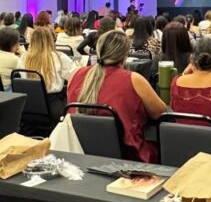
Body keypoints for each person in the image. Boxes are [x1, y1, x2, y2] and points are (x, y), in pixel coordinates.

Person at [67, 31, 167, 163]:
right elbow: (160, 113)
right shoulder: (134, 80)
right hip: (129, 159)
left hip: (80, 153)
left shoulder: (75, 75)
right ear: (125, 56)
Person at [18, 28, 73, 117]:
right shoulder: (60, 57)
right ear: (51, 40)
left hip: (27, 106)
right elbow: (73, 78)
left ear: (32, 41)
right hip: (53, 108)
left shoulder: (23, 58)